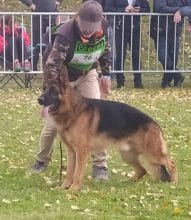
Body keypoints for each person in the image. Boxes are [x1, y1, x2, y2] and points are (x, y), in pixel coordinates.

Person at [31, 0, 111, 180]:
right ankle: (41, 160)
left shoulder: (103, 27)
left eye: (92, 27)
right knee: (53, 123)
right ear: (77, 18)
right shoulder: (65, 34)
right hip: (62, 80)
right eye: (85, 26)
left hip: (87, 73)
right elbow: (52, 64)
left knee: (95, 117)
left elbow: (105, 49)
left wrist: (106, 74)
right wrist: (47, 99)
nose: (88, 30)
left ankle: (100, 165)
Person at [104, 0, 150, 89]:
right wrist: (123, 10)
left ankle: (138, 81)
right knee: (120, 54)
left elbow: (147, 9)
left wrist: (137, 11)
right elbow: (108, 8)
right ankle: (120, 81)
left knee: (136, 55)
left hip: (135, 28)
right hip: (120, 27)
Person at [150, 0, 190, 88]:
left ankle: (166, 81)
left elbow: (189, 7)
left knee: (173, 57)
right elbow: (159, 7)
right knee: (163, 56)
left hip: (175, 29)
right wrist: (178, 10)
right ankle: (177, 75)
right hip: (161, 29)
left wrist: (180, 12)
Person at [20, 0, 63, 71]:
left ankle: (51, 67)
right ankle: (33, 68)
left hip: (52, 16)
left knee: (52, 43)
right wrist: (30, 4)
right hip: (38, 16)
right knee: (36, 43)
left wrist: (58, 1)